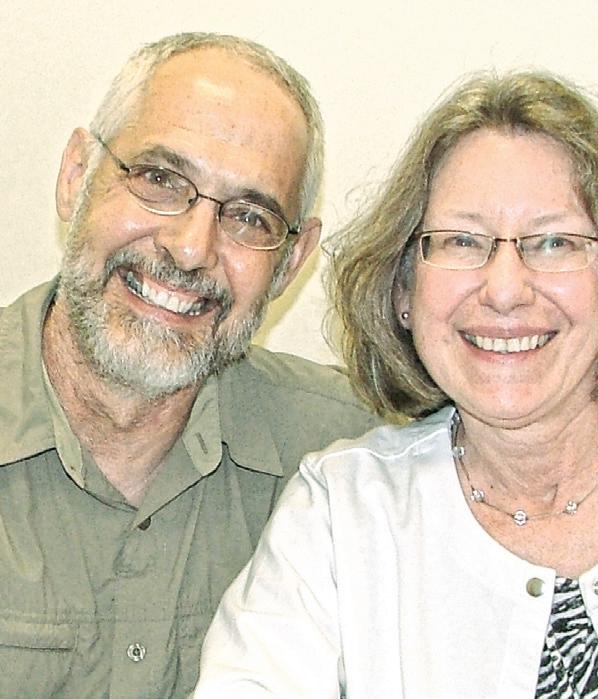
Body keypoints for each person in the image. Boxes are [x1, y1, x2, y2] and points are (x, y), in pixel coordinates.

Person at [194, 70, 598, 698]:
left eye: (554, 242)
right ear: (403, 293)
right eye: (461, 241)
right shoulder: (339, 516)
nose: (504, 290)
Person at [0, 32, 379, 698]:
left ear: (291, 261)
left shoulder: (352, 463)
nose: (190, 247)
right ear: (75, 176)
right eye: (160, 180)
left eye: (250, 217)